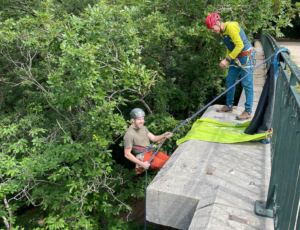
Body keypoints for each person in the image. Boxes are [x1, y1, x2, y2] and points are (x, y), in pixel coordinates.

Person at [205, 13, 256, 120]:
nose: (212, 31)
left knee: (246, 83)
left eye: (212, 28)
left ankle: (248, 111)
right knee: (229, 80)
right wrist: (228, 59)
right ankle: (229, 106)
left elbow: (240, 45)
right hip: (235, 57)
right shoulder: (222, 32)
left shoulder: (231, 27)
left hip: (246, 56)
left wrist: (227, 59)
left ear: (218, 23)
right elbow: (229, 47)